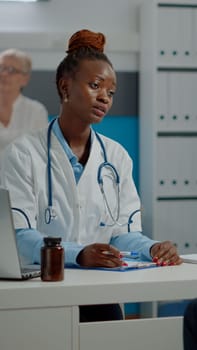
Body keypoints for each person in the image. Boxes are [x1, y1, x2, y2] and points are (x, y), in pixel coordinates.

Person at [1, 29, 182, 322]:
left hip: (101, 294)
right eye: (95, 85)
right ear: (65, 87)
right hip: (43, 295)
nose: (104, 98)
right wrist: (79, 253)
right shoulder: (22, 153)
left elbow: (123, 234)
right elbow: (19, 237)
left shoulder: (117, 157)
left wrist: (151, 248)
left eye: (111, 92)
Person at [0, 48, 48, 182]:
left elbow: (40, 155)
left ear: (25, 79)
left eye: (11, 70)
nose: (3, 74)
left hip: (22, 185)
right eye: (1, 68)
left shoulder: (36, 111)